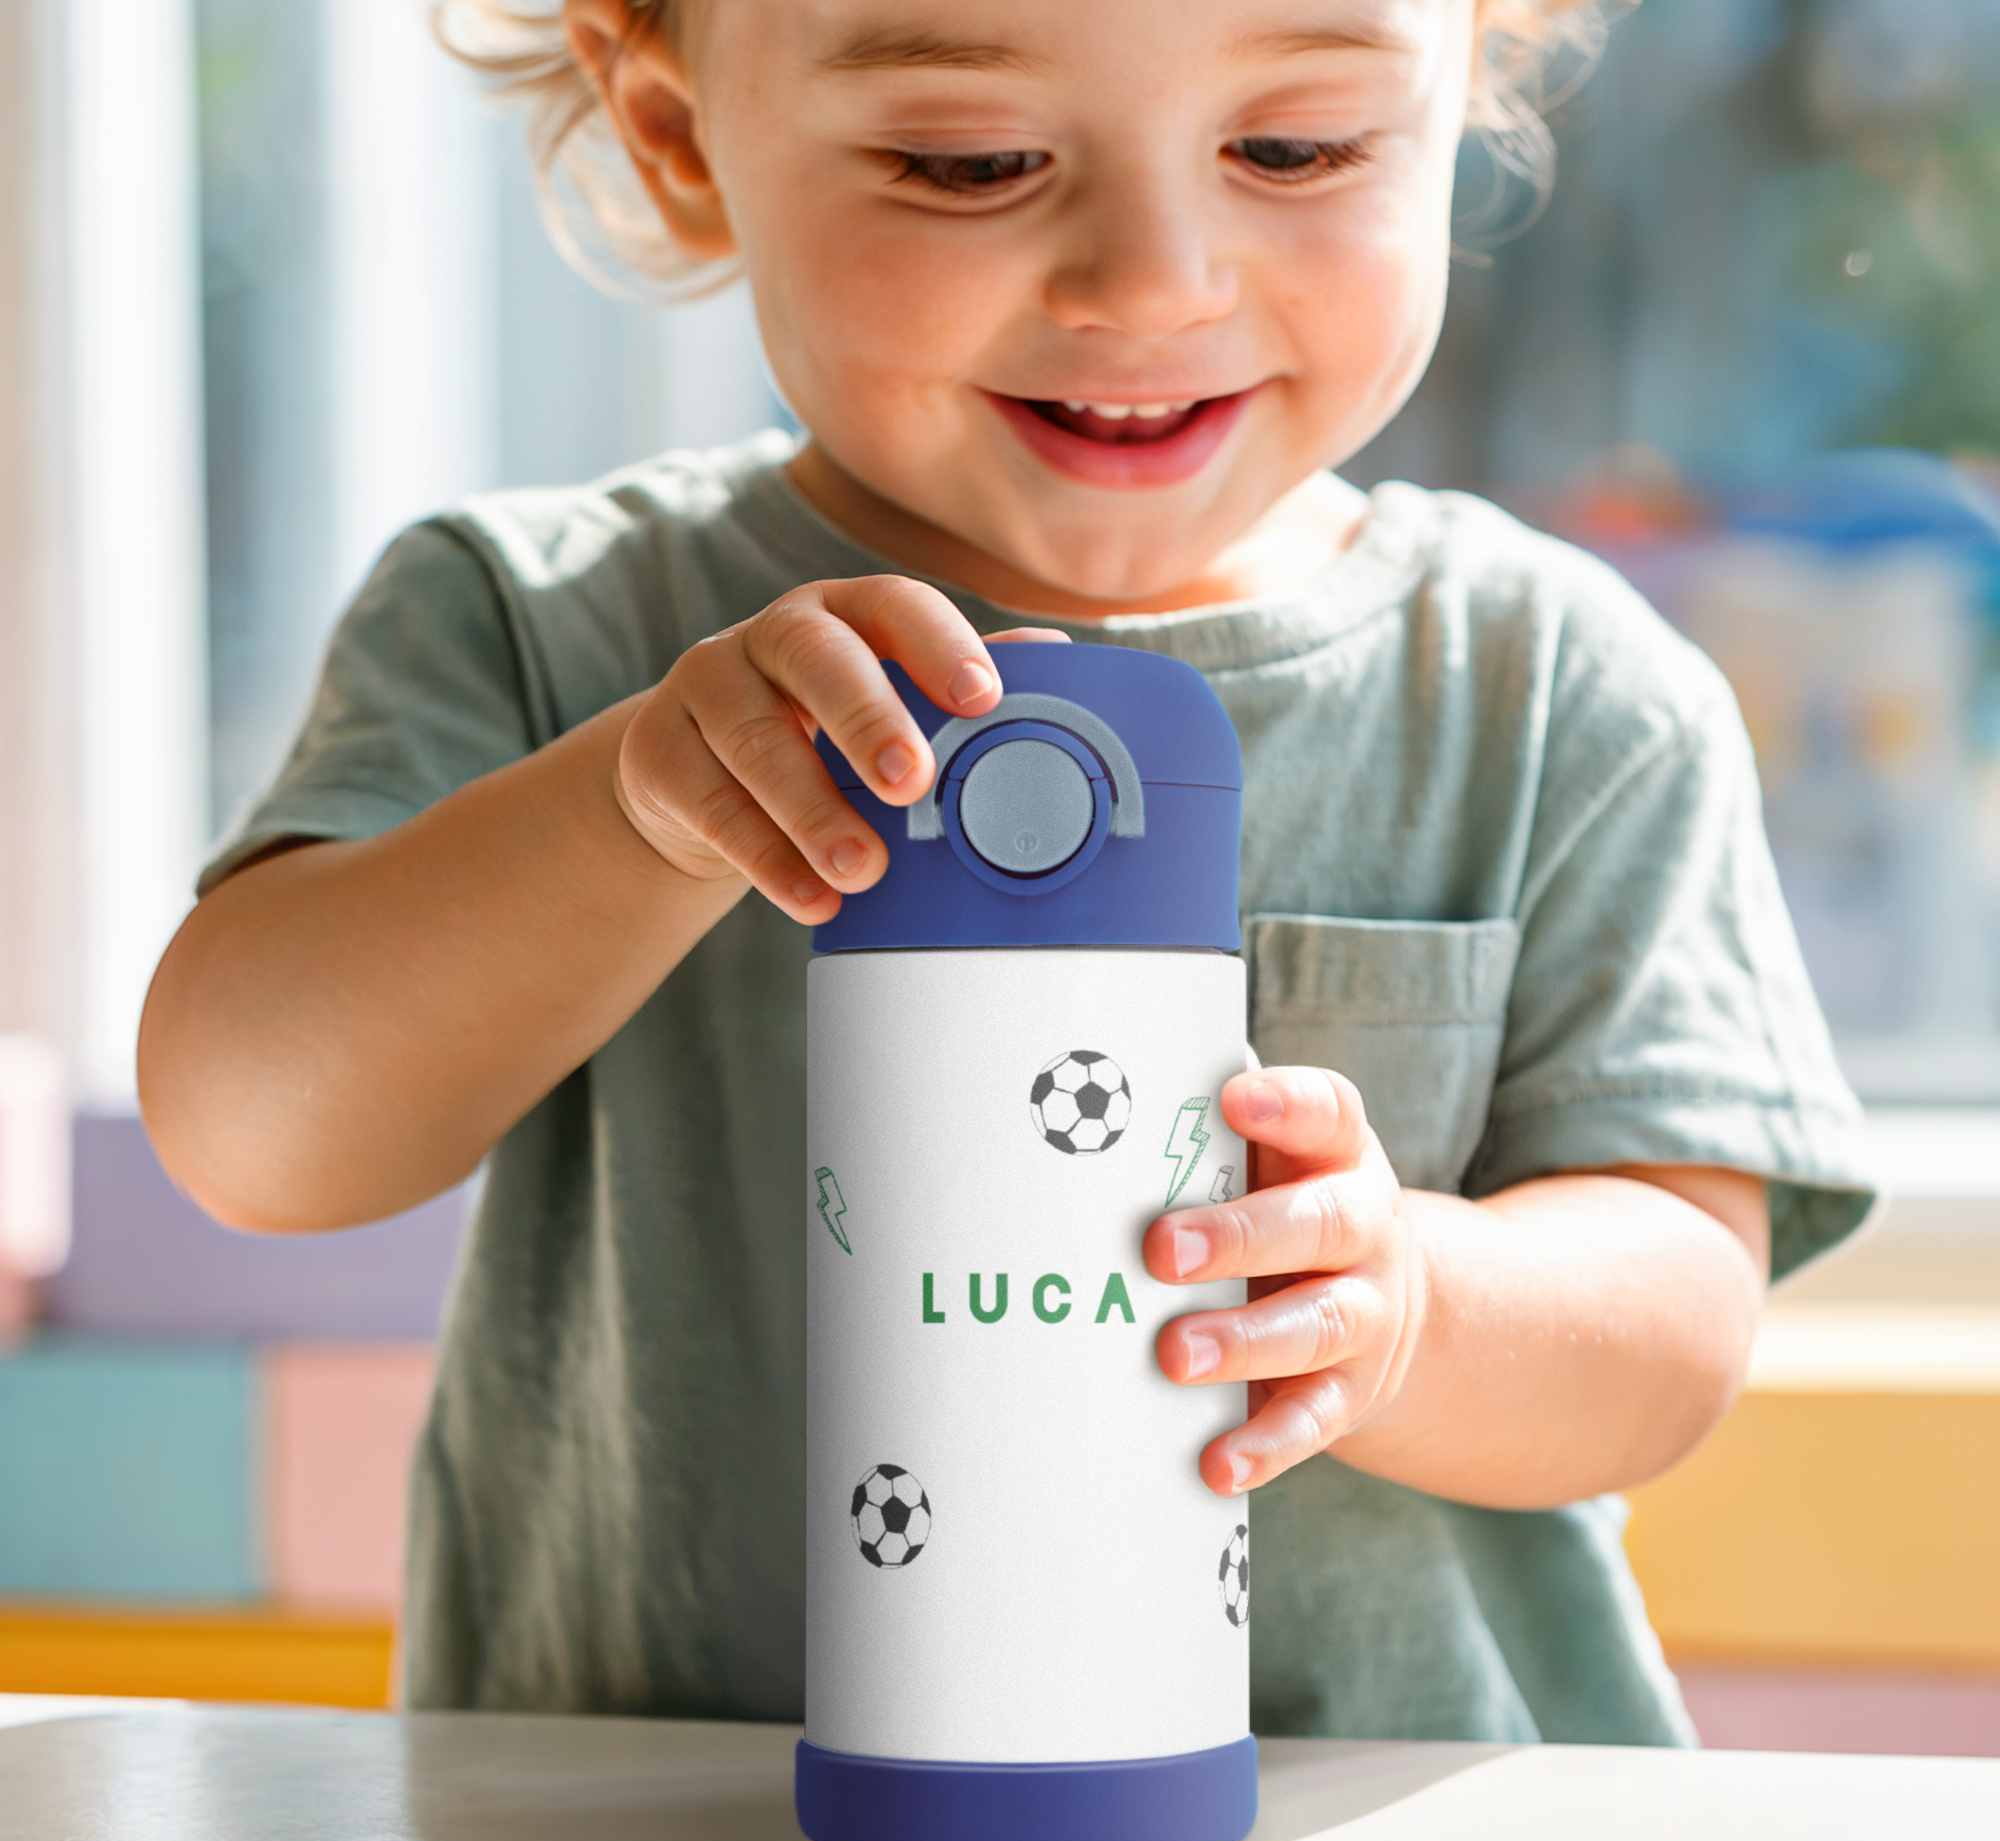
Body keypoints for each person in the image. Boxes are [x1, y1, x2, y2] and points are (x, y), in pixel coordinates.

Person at [138, 0, 1874, 1741]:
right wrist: (628, 818)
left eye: (1294, 148)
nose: (1151, 282)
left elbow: (1672, 1325)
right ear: (677, 129)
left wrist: (1409, 1304)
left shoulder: (1553, 687)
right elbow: (255, 1133)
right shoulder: (540, 628)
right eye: (971, 163)